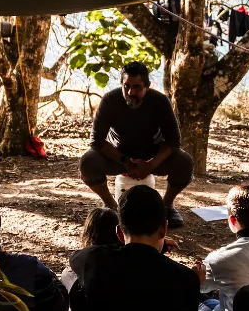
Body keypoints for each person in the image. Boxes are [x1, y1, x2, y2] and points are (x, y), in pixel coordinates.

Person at [79, 61, 194, 228]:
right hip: (118, 156)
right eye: (126, 86)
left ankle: (166, 206)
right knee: (88, 161)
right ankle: (111, 206)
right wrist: (125, 161)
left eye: (137, 87)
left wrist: (150, 164)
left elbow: (173, 142)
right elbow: (96, 141)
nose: (131, 92)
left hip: (152, 155)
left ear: (147, 86)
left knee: (184, 161)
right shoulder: (110, 100)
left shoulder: (160, 101)